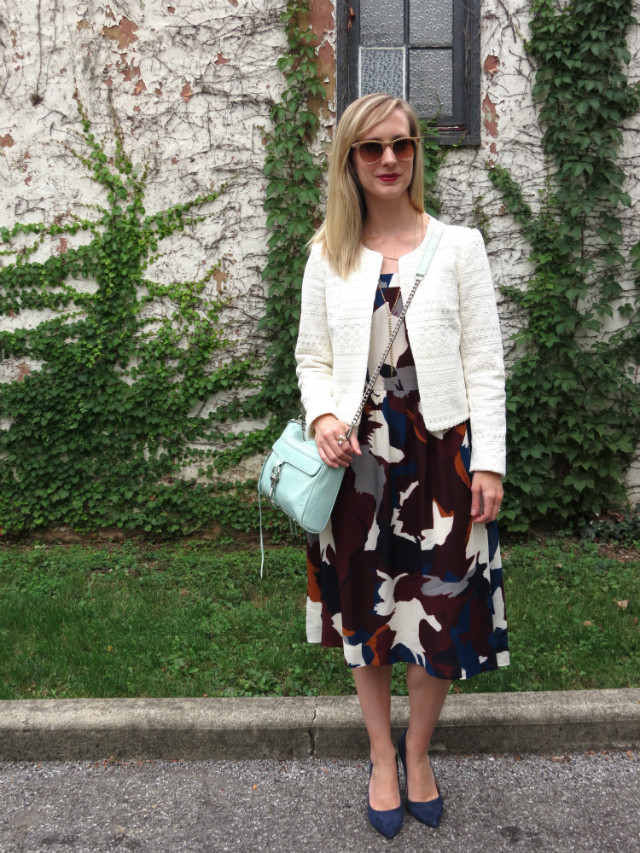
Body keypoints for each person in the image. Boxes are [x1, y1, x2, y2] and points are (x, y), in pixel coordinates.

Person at [294, 93, 509, 838]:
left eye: (403, 144)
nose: (389, 159)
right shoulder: (329, 251)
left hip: (443, 462)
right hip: (358, 469)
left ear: (417, 153)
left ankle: (419, 752)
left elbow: (485, 363)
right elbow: (311, 356)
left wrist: (491, 462)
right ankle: (380, 754)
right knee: (367, 610)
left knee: (437, 615)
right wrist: (323, 414)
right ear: (349, 160)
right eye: (371, 148)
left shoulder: (459, 246)